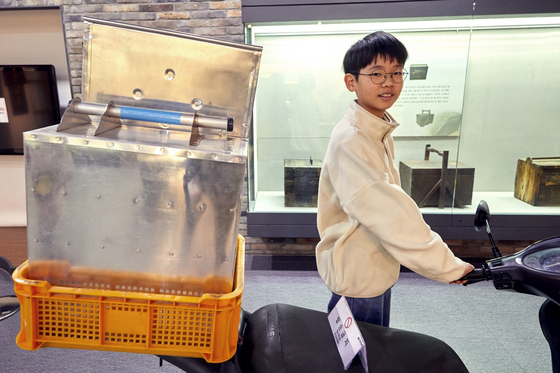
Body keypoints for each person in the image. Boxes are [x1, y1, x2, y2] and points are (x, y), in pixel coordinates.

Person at [315, 31, 474, 327]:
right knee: (357, 354)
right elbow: (390, 214)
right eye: (376, 74)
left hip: (372, 262)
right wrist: (447, 266)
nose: (388, 82)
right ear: (352, 81)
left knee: (357, 347)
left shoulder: (376, 127)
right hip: (359, 269)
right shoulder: (352, 138)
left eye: (396, 73)